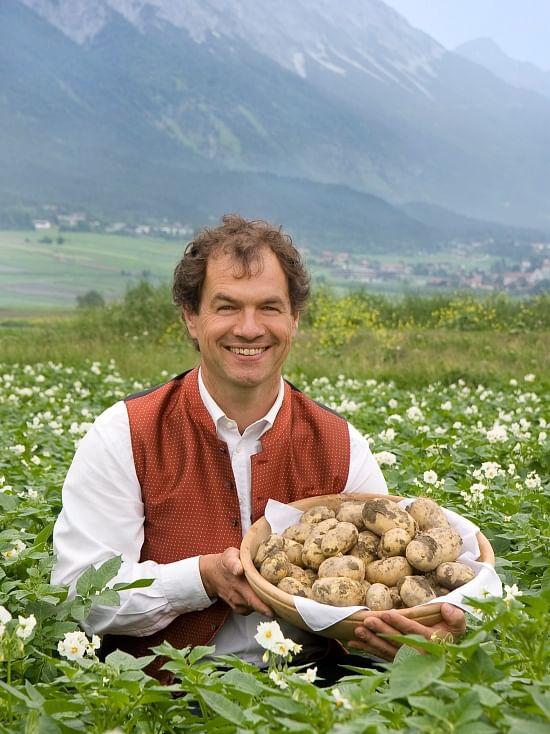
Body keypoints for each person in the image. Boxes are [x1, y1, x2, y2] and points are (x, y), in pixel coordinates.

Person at [52, 214, 465, 681]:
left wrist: (412, 639)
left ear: (294, 320)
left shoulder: (339, 443)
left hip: (314, 694)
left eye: (269, 307)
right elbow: (78, 596)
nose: (249, 329)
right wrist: (199, 580)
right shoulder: (126, 433)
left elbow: (383, 586)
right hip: (164, 698)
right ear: (192, 318)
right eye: (227, 307)